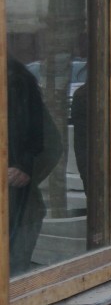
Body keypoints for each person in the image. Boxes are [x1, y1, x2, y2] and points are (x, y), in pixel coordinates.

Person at [7, 56, 62, 276]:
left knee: (15, 277)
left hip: (20, 210)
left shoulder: (17, 83)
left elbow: (51, 145)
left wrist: (26, 170)